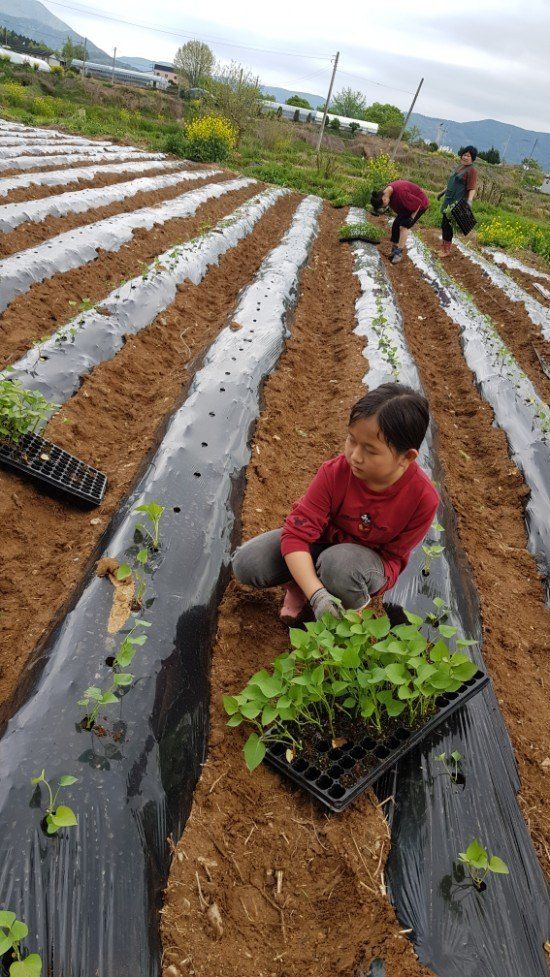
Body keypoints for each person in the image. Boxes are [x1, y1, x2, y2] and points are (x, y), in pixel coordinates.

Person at [233, 383, 439, 624]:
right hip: (321, 544)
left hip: (363, 565)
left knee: (339, 566)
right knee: (248, 563)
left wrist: (354, 582)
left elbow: (392, 558)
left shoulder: (422, 499)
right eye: (352, 440)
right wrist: (317, 594)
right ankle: (300, 587)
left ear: (407, 457)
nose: (355, 456)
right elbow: (297, 535)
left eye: (370, 451)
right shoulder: (335, 473)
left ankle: (351, 606)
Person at [371, 180, 429, 265]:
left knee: (404, 226)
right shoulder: (385, 192)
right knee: (395, 225)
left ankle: (398, 253)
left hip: (419, 205)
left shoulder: (401, 193)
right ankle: (394, 250)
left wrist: (411, 218)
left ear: (384, 199)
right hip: (407, 206)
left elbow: (418, 203)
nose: (384, 207)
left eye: (383, 206)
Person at [438, 146, 478, 257]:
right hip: (448, 199)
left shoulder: (472, 170)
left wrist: (469, 201)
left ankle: (446, 250)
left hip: (457, 202)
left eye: (468, 156)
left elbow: (472, 188)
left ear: (472, 158)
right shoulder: (459, 167)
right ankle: (444, 247)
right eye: (464, 155)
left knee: (448, 226)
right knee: (444, 224)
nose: (465, 157)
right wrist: (442, 192)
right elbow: (452, 183)